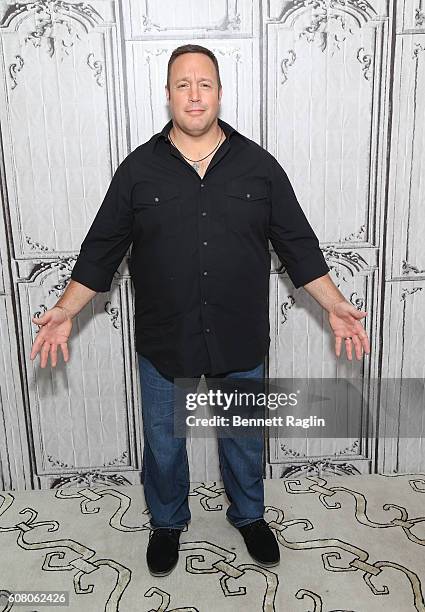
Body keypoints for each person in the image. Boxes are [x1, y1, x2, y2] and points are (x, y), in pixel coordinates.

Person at [29, 44, 371, 577]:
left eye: (204, 83)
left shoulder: (258, 166)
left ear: (219, 92)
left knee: (241, 440)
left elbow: (298, 245)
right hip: (168, 340)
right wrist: (66, 310)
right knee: (165, 447)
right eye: (183, 84)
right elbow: (101, 250)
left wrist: (335, 306)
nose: (194, 94)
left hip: (238, 337)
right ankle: (166, 524)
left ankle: (250, 516)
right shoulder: (138, 171)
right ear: (167, 95)